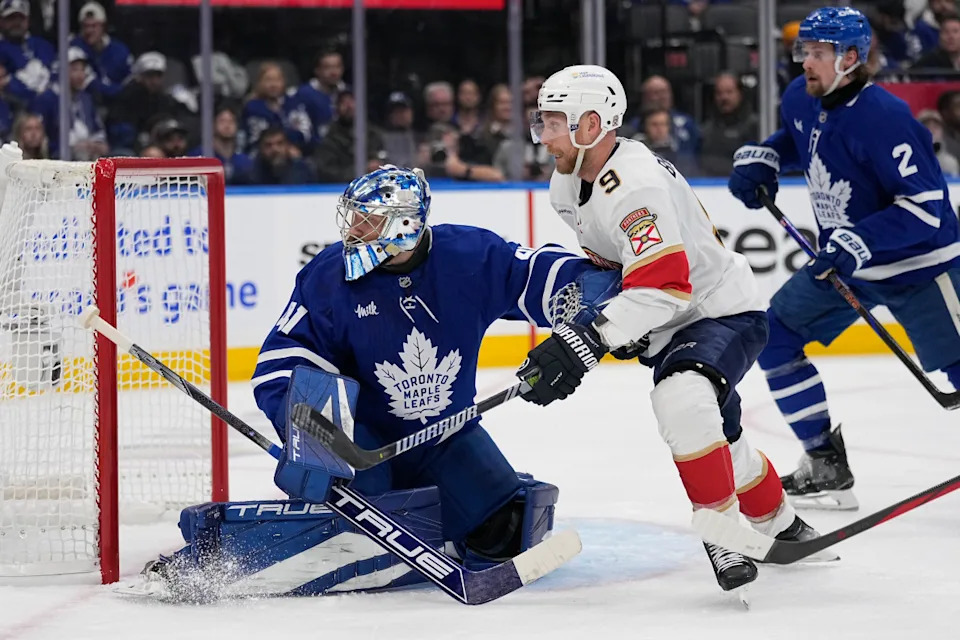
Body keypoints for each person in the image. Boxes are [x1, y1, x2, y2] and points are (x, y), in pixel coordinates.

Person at [522, 64, 832, 596]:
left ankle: (721, 529)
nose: (543, 135)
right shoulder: (566, 182)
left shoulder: (634, 185)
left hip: (719, 311)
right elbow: (620, 270)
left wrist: (594, 336)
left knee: (683, 397)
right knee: (721, 440)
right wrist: (610, 320)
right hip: (671, 325)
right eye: (543, 122)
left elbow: (667, 286)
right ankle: (780, 523)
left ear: (591, 124)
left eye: (554, 122)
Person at [219, 165, 593, 595]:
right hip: (360, 445)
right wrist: (310, 432)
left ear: (404, 226)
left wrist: (596, 306)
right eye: (354, 216)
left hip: (445, 434)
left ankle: (436, 527)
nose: (353, 229)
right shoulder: (328, 277)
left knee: (505, 530)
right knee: (351, 549)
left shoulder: (468, 257)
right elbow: (281, 363)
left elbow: (545, 277)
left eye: (368, 220)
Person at [728, 7, 960, 511]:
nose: (805, 62)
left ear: (851, 58)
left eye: (818, 54)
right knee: (776, 336)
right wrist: (768, 156)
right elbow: (803, 141)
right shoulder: (801, 96)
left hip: (921, 266)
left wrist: (860, 241)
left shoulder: (887, 118)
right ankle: (825, 463)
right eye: (803, 52)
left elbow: (925, 206)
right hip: (848, 262)